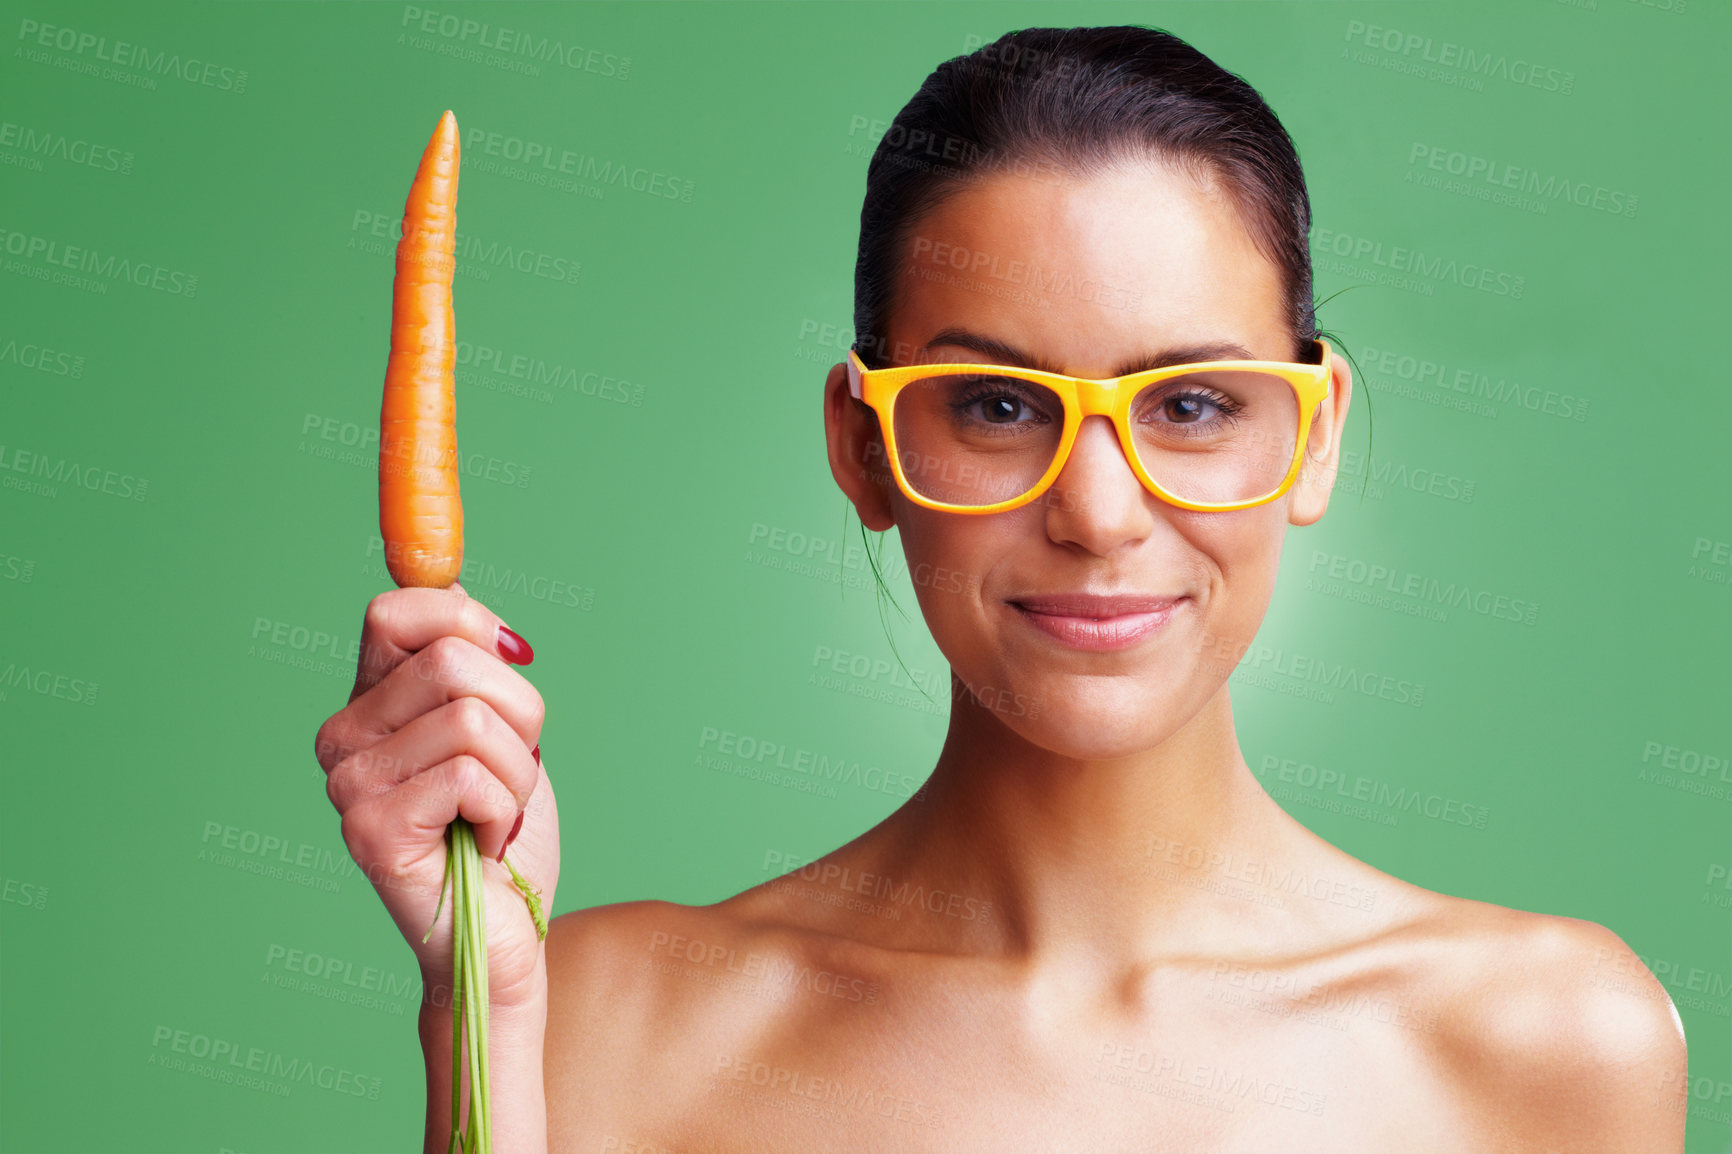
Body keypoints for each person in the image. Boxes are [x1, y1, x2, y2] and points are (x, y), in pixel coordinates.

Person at [314, 24, 1687, 1153]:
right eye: (997, 404)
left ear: (1312, 435)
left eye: (1195, 402)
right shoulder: (606, 1014)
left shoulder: (1555, 1048)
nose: (1097, 511)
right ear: (867, 447)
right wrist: (481, 1008)